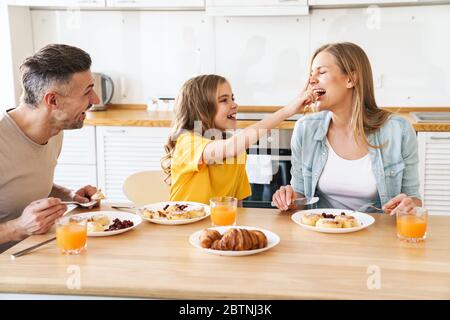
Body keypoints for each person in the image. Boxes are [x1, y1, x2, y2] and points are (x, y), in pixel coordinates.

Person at [272, 42, 421, 215]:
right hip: (322, 232)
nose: (311, 81)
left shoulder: (398, 130)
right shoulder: (305, 129)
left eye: (321, 72)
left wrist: (409, 205)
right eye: (311, 74)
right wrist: (288, 198)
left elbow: (413, 198)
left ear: (351, 79)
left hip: (377, 236)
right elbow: (300, 196)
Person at [0, 44, 101, 253]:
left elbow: (18, 183)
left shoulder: (54, 130)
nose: (95, 100)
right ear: (52, 100)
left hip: (35, 251)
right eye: (87, 92)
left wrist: (69, 194)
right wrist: (17, 228)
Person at [161, 74, 314, 205]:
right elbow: (230, 147)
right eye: (224, 100)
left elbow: (237, 204)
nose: (235, 104)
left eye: (232, 98)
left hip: (220, 230)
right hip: (183, 230)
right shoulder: (187, 143)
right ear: (202, 109)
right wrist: (287, 111)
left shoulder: (238, 153)